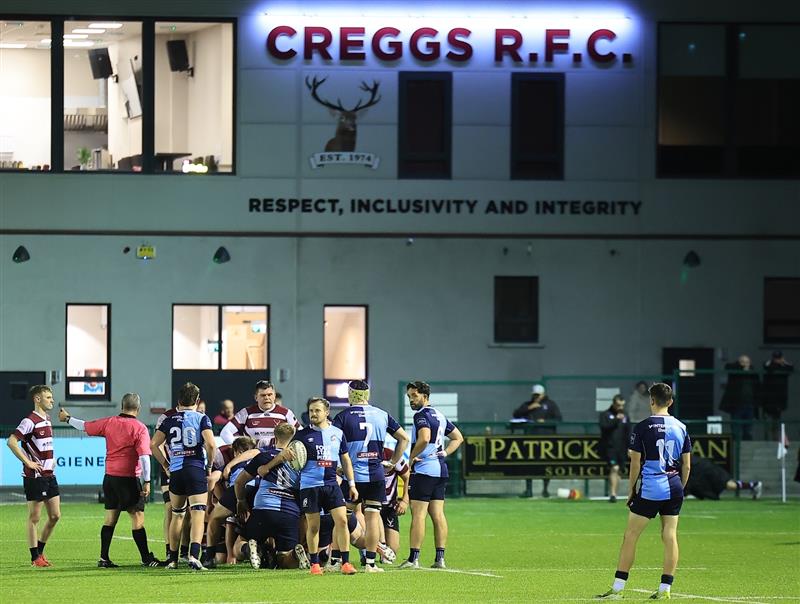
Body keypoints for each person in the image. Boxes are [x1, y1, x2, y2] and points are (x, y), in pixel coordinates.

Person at [597, 383, 691, 600]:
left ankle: (618, 589)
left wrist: (631, 490)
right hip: (674, 485)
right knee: (669, 535)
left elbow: (636, 464)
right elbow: (686, 465)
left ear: (651, 400)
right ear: (670, 402)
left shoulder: (642, 427)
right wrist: (681, 488)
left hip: (651, 487)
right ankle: (665, 589)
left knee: (631, 535)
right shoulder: (681, 427)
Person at [59, 393, 164, 567]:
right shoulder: (139, 428)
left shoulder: (109, 422)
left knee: (110, 519)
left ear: (121, 406)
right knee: (137, 518)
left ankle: (104, 558)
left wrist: (67, 418)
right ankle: (146, 558)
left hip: (109, 478)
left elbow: (84, 426)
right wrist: (147, 481)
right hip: (128, 479)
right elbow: (145, 457)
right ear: (138, 409)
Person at [332, 380, 410, 572]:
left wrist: (337, 467)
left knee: (342, 518)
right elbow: (404, 438)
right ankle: (370, 564)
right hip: (375, 475)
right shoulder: (382, 414)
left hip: (353, 477)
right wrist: (392, 462)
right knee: (373, 518)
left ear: (350, 395)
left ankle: (335, 562)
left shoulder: (342, 416)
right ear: (368, 394)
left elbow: (332, 443)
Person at [285, 397, 359, 575]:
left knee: (342, 521)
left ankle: (346, 563)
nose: (313, 414)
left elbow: (346, 460)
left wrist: (352, 484)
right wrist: (287, 455)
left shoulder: (338, 433)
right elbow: (290, 456)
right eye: (311, 411)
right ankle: (315, 565)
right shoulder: (301, 435)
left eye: (317, 410)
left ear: (327, 413)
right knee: (313, 527)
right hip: (310, 487)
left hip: (332, 484)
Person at [151, 382, 217, 570]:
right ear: (197, 400)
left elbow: (153, 445)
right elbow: (211, 445)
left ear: (179, 400)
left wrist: (165, 465)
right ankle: (194, 556)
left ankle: (172, 559)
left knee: (177, 514)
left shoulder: (168, 419)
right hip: (195, 468)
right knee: (197, 513)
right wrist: (209, 466)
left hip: (176, 471)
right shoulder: (201, 418)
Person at [399, 381, 464, 570]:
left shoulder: (421, 415)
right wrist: (445, 453)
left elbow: (425, 438)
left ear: (425, 396)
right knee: (437, 514)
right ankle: (440, 558)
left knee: (418, 515)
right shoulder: (440, 415)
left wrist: (411, 458)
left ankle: (413, 559)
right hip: (441, 470)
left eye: (414, 396)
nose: (411, 400)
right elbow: (458, 438)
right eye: (409, 396)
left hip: (425, 470)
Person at [234, 423, 310, 570]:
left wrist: (240, 500)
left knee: (240, 544)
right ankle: (295, 554)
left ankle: (250, 549)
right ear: (293, 439)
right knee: (284, 559)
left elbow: (239, 482)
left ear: (274, 438)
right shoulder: (303, 463)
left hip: (264, 508)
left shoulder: (263, 457)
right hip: (289, 512)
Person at [6, 385, 61, 567]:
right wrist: (28, 462)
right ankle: (34, 557)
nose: (51, 400)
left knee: (55, 516)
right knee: (34, 517)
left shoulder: (47, 419)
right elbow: (12, 442)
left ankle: (40, 552)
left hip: (49, 475)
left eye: (51, 397)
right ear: (37, 399)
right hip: (34, 477)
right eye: (47, 397)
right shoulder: (29, 421)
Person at [513, 384, 562, 497]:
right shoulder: (528, 404)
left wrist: (544, 422)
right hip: (530, 440)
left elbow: (558, 419)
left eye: (538, 395)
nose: (536, 397)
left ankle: (545, 489)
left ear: (543, 394)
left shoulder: (551, 405)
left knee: (546, 465)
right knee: (528, 465)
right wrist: (529, 408)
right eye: (534, 395)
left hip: (547, 441)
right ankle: (528, 489)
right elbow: (516, 414)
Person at [221, 380, 300, 446]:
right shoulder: (246, 413)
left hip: (278, 458)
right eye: (263, 395)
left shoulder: (286, 413)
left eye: (269, 394)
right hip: (252, 458)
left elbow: (301, 433)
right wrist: (237, 448)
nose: (267, 398)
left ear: (274, 396)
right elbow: (225, 432)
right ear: (256, 397)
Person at [685, 454, 762, 500]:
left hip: (707, 470)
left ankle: (754, 485)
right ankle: (753, 485)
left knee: (729, 485)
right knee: (728, 484)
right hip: (702, 472)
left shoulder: (683, 459)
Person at [599, 395, 631, 503]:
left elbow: (628, 432)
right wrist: (616, 420)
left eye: (622, 405)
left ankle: (615, 493)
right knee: (615, 468)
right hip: (610, 447)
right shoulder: (606, 414)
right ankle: (612, 494)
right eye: (618, 405)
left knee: (618, 472)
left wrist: (630, 447)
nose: (620, 407)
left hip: (622, 448)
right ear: (613, 404)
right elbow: (604, 427)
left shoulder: (625, 415)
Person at [720, 355, 760, 441]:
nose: (745, 364)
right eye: (743, 362)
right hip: (737, 404)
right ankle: (735, 445)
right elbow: (727, 366)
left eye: (747, 362)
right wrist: (740, 366)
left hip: (750, 404)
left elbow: (757, 386)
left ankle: (747, 445)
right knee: (735, 427)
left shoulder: (753, 373)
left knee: (748, 428)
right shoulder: (735, 371)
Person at [762, 351, 794, 437]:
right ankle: (768, 438)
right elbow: (767, 366)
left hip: (780, 398)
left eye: (779, 358)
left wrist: (783, 362)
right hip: (769, 398)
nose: (778, 360)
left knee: (776, 421)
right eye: (776, 358)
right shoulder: (769, 364)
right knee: (768, 420)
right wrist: (775, 362)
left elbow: (791, 367)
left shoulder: (783, 366)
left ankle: (775, 438)